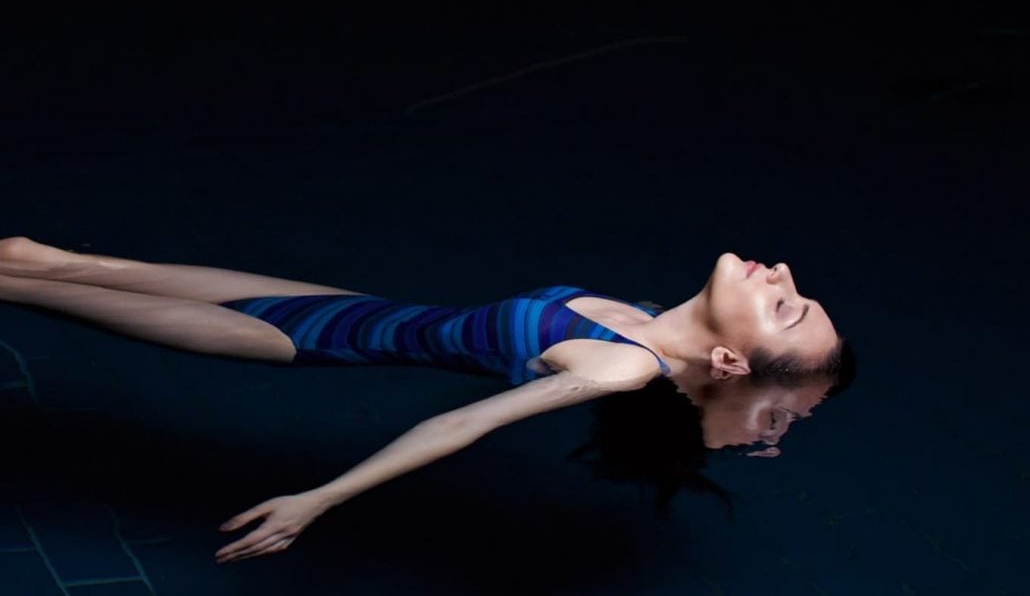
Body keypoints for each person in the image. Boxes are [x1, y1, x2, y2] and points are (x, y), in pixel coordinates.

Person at [0, 236, 851, 564]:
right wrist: (755, 417)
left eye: (784, 302)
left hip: (305, 338)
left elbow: (462, 421)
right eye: (795, 291)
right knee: (55, 260)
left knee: (25, 288)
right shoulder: (643, 321)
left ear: (732, 352)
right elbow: (717, 389)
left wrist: (319, 498)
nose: (781, 272)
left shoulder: (622, 365)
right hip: (345, 301)